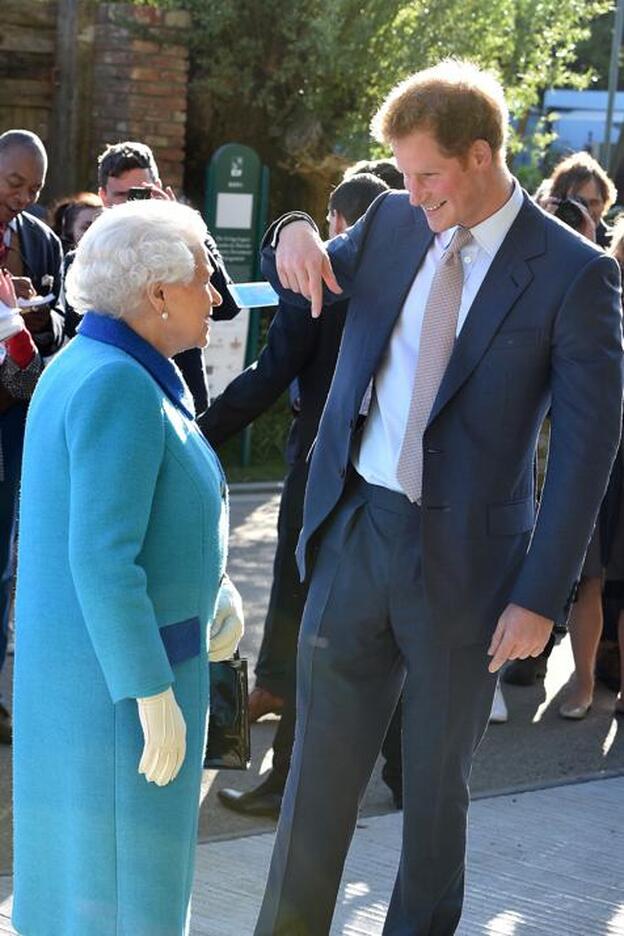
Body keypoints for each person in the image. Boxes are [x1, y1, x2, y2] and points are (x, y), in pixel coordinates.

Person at [255, 59, 623, 935]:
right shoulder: (388, 220)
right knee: (314, 786)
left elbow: (586, 447)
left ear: (483, 155)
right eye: (403, 175)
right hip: (355, 535)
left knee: (433, 795)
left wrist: (543, 596)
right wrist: (295, 229)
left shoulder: (574, 273)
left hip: (472, 571)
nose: (411, 193)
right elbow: (307, 268)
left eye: (427, 174)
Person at [12, 199, 243, 935]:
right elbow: (103, 557)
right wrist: (149, 690)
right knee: (125, 901)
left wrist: (217, 588)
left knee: (90, 894)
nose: (214, 297)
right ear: (157, 294)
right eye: (203, 280)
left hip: (94, 685)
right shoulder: (119, 383)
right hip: (123, 697)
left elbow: (146, 522)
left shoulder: (91, 363)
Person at [201, 172, 389, 818]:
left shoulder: (323, 285)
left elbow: (270, 372)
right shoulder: (417, 278)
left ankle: (286, 777)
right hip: (393, 483)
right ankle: (398, 770)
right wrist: (289, 225)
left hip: (320, 474)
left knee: (307, 617)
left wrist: (198, 434)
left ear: (338, 225)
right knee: (378, 625)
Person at [88, 140, 240, 414]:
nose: (133, 204)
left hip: (183, 395)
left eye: (143, 193)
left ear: (159, 187)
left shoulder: (191, 242)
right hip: (122, 396)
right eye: (123, 195)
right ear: (103, 197)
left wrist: (184, 232)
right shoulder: (86, 259)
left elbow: (226, 307)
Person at [0, 129, 65, 745]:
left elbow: (61, 320)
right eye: (14, 183)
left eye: (33, 189)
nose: (21, 197)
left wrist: (35, 317)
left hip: (14, 419)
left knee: (3, 562)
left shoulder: (41, 242)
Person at [549, 151, 617, 248]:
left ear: (605, 203)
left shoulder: (615, 246)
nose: (586, 210)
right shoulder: (547, 236)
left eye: (594, 203)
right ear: (559, 201)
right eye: (578, 202)